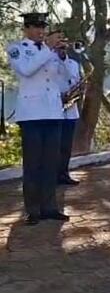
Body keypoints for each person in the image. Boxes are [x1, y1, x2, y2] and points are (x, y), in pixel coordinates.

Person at [6, 12, 69, 225]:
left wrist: (62, 57)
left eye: (43, 27)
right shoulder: (17, 49)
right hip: (31, 114)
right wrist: (49, 50)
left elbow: (62, 77)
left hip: (53, 112)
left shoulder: (48, 50)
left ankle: (50, 206)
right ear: (26, 29)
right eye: (36, 27)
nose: (41, 31)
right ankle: (33, 209)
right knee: (33, 164)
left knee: (51, 163)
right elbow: (27, 70)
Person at [52, 25, 81, 186]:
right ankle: (53, 175)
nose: (63, 44)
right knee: (54, 145)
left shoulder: (73, 63)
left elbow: (75, 80)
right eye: (60, 41)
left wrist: (77, 90)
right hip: (54, 107)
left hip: (70, 110)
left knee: (66, 146)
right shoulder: (48, 61)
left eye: (65, 42)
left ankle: (64, 173)